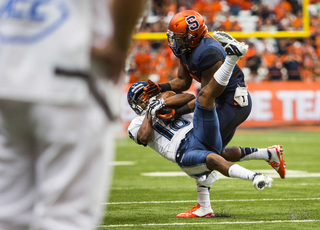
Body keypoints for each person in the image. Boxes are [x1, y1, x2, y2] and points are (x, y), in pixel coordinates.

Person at [0, 0, 146, 229]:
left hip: (9, 66)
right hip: (69, 69)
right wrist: (119, 44)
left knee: (9, 213)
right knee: (66, 218)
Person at [127, 36, 285, 218]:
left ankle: (232, 58)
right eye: (142, 99)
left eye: (147, 97)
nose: (147, 101)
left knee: (204, 100)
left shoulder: (165, 102)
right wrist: (151, 112)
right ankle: (263, 162)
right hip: (183, 151)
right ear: (135, 105)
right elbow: (144, 137)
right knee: (215, 155)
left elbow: (186, 97)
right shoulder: (137, 123)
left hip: (198, 132)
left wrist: (162, 103)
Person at [143, 10, 251, 148]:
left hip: (232, 102)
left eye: (179, 38)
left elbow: (206, 98)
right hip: (219, 100)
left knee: (201, 147)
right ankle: (268, 154)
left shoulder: (207, 53)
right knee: (212, 153)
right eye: (173, 37)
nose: (175, 42)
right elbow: (183, 81)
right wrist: (160, 87)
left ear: (192, 37)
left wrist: (177, 112)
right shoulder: (186, 49)